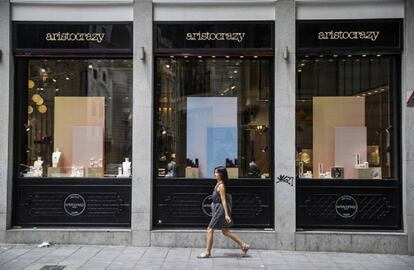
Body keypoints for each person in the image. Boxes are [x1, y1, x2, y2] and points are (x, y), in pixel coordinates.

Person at [197, 166, 250, 258]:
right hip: (217, 209)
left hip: (220, 210)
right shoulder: (218, 183)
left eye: (216, 172)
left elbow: (224, 200)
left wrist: (226, 214)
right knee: (225, 231)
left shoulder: (221, 186)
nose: (215, 174)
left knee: (210, 229)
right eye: (215, 172)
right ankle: (243, 245)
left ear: (221, 174)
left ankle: (207, 252)